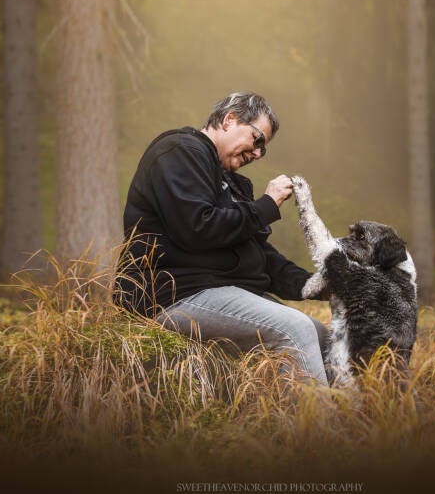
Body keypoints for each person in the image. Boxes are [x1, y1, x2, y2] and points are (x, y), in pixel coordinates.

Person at [116, 92, 328, 385]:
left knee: (321, 334)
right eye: (257, 139)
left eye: (263, 149)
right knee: (295, 330)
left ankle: (341, 410)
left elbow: (259, 256)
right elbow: (197, 228)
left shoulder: (228, 181)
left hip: (215, 291)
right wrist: (266, 205)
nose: (257, 153)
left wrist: (317, 285)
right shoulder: (180, 151)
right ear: (230, 120)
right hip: (172, 296)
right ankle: (313, 415)